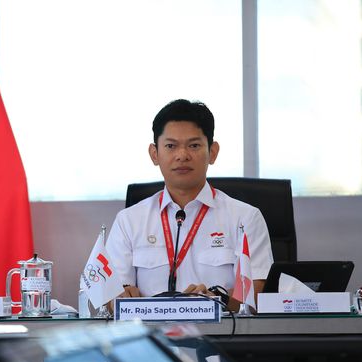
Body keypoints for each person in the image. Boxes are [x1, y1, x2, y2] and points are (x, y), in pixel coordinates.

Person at [107, 99, 273, 309]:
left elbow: (257, 294)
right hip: (154, 337)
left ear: (212, 152)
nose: (182, 155)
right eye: (170, 146)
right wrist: (119, 298)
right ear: (154, 154)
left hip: (224, 336)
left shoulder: (245, 218)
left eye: (194, 145)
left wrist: (214, 301)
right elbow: (110, 297)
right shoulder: (129, 221)